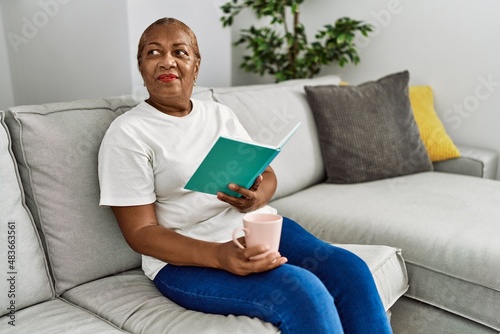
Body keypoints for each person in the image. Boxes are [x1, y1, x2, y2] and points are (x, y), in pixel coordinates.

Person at [98, 17, 392, 334]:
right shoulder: (128, 134)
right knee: (303, 291)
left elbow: (266, 173)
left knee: (351, 271)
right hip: (183, 260)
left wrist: (254, 199)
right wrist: (220, 256)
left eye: (180, 52)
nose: (167, 61)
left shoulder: (218, 114)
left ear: (196, 66)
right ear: (141, 67)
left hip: (252, 229)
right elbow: (140, 233)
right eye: (153, 53)